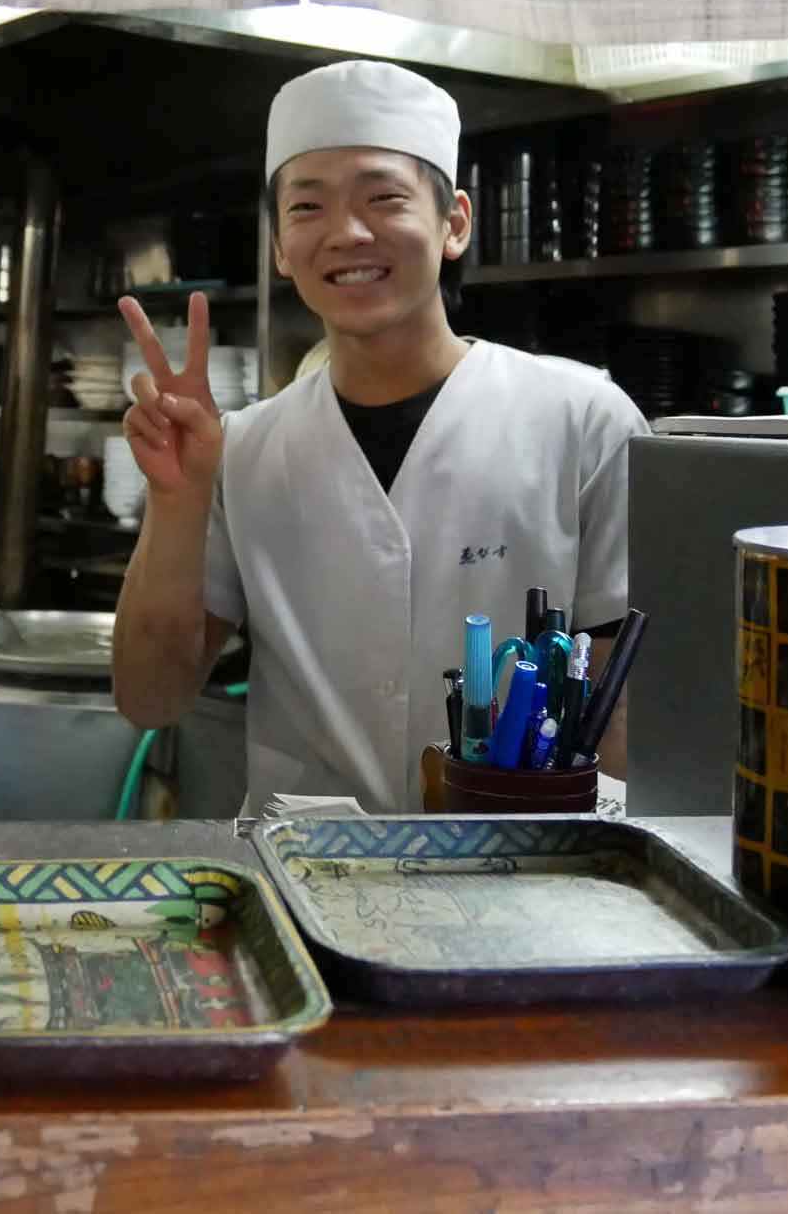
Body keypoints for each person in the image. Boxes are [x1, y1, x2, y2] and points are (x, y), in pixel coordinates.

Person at [110, 61, 648, 812]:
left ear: (454, 221)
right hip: (303, 883)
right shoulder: (242, 449)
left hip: (523, 882)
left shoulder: (584, 421)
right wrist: (176, 498)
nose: (347, 233)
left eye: (383, 197)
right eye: (307, 206)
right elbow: (151, 697)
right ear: (279, 246)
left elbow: (626, 709)